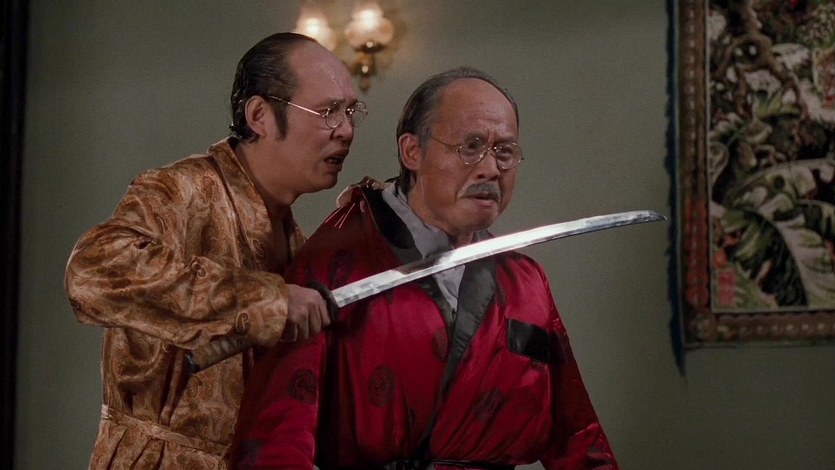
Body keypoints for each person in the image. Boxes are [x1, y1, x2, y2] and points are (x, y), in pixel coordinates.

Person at [231, 67, 619, 469]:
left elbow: (578, 435)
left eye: (504, 151)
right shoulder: (335, 263)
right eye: (470, 146)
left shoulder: (526, 282)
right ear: (412, 152)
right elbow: (276, 440)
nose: (491, 169)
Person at [64, 32, 366, 469]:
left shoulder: (292, 237)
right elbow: (92, 271)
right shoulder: (180, 191)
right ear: (260, 116)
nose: (347, 130)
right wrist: (262, 300)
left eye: (351, 111)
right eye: (327, 112)